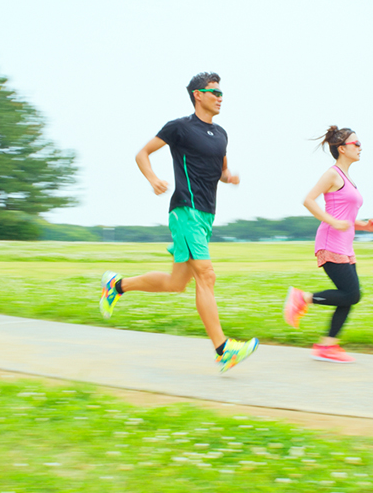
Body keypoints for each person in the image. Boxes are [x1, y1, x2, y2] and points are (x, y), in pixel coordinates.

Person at [98, 72, 259, 373]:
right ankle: (223, 349)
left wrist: (229, 177)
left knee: (177, 283)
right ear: (198, 95)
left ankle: (116, 286)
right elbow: (142, 153)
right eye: (215, 92)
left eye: (222, 92)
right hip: (185, 209)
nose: (220, 97)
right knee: (206, 276)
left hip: (206, 213)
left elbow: (219, 172)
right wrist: (153, 178)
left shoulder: (221, 134)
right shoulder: (179, 128)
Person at [283, 126, 373, 363]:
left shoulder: (347, 178)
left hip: (345, 246)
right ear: (342, 148)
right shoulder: (332, 174)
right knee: (352, 293)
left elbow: (345, 217)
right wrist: (332, 222)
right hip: (330, 242)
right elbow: (308, 200)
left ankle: (328, 346)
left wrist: (364, 225)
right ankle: (302, 298)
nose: (360, 147)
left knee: (350, 296)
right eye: (356, 143)